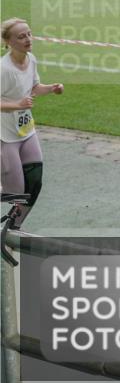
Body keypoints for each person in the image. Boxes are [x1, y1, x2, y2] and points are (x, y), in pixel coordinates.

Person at [1, 18, 63, 229]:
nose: (28, 39)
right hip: (5, 137)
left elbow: (34, 87)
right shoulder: (4, 69)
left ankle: (13, 229)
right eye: (21, 36)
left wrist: (51, 88)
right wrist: (18, 104)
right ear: (8, 42)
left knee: (34, 184)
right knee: (15, 193)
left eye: (29, 34)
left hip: (26, 132)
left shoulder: (31, 59)